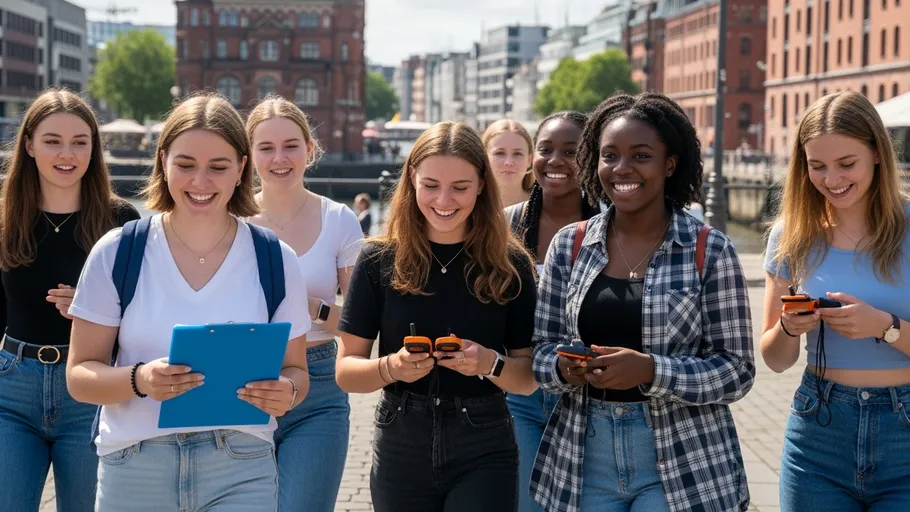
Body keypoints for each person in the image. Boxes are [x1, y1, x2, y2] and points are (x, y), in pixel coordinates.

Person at [65, 93, 311, 511]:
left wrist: (285, 392)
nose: (200, 182)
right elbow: (79, 376)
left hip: (242, 464)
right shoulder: (117, 252)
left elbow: (297, 374)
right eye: (185, 166)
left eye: (218, 167)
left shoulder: (275, 258)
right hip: (135, 463)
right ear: (163, 162)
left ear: (241, 170)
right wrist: (139, 380)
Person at [530, 91, 755, 512]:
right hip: (583, 455)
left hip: (683, 458)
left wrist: (652, 371)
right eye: (609, 155)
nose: (622, 169)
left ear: (669, 165)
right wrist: (563, 367)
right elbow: (540, 350)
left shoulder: (709, 249)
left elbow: (737, 372)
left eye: (640, 155)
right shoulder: (570, 245)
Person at [335, 121, 538, 511]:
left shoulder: (510, 264)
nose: (444, 200)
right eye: (431, 185)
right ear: (411, 179)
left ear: (482, 184)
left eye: (460, 187)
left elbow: (527, 380)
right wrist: (391, 367)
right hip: (401, 438)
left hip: (485, 440)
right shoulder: (377, 259)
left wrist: (488, 363)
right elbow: (346, 372)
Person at [761, 90, 910, 511]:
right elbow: (774, 359)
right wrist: (791, 327)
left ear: (877, 154)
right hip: (818, 433)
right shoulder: (790, 234)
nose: (832, 179)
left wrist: (885, 326)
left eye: (847, 164)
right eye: (817, 166)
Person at [0, 88, 140, 512]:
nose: (68, 153)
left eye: (80, 141)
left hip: (91, 392)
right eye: (53, 141)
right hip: (12, 388)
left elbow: (144, 314)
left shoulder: (122, 222)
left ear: (94, 148)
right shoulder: (6, 216)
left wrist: (92, 306)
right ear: (28, 145)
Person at [245, 95, 364, 512]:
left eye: (291, 145)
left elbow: (359, 325)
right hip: (244, 378)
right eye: (266, 147)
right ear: (248, 154)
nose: (280, 158)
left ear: (309, 150)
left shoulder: (340, 220)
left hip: (319, 386)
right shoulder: (230, 219)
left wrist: (309, 307)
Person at [496, 111, 600, 512]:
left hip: (586, 397)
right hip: (519, 393)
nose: (555, 160)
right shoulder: (508, 223)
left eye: (571, 151)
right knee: (525, 503)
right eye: (545, 149)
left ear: (589, 158)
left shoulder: (610, 226)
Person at [482, 119, 535, 208]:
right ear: (485, 157)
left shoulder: (546, 207)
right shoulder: (471, 208)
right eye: (499, 153)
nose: (508, 162)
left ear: (529, 160)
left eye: (517, 154)